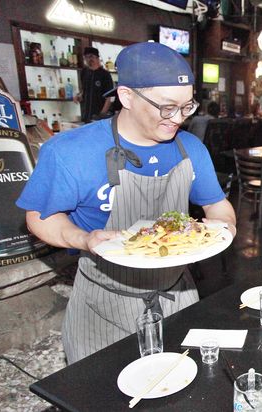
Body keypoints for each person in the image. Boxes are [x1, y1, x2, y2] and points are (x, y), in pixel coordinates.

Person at [16, 42, 236, 363]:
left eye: (186, 107)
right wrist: (83, 239)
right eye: (166, 107)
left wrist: (222, 228)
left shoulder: (191, 149)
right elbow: (39, 217)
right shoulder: (71, 151)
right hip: (104, 303)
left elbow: (217, 208)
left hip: (177, 295)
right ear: (126, 97)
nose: (177, 118)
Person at [73, 47, 114, 123]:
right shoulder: (84, 72)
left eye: (91, 56)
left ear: (97, 58)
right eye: (86, 57)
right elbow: (84, 91)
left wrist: (102, 114)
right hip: (86, 115)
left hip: (99, 115)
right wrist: (78, 96)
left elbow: (110, 97)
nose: (89, 59)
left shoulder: (105, 74)